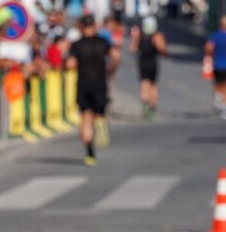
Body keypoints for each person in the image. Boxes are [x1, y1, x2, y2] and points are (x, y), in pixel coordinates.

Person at [67, 15, 118, 165]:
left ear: (82, 27)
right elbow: (116, 56)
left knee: (86, 117)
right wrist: (112, 69)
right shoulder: (103, 42)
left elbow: (70, 64)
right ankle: (101, 124)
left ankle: (89, 153)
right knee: (99, 112)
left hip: (83, 84)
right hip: (99, 83)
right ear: (94, 25)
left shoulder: (77, 45)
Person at [129, 15, 167, 120]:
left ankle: (145, 106)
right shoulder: (157, 36)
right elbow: (163, 50)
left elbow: (132, 49)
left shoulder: (140, 36)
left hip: (142, 62)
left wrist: (134, 39)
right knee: (153, 86)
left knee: (144, 84)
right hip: (152, 63)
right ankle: (152, 109)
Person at [205, 14, 226, 118]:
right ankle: (225, 108)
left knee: (218, 85)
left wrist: (209, 57)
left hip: (217, 64)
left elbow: (208, 47)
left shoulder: (215, 35)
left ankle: (218, 102)